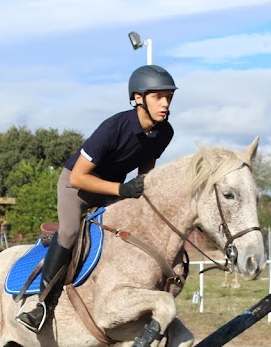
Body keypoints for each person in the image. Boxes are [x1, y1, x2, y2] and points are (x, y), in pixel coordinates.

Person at [15, 64, 178, 333]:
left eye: (169, 97)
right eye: (158, 97)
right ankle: (40, 305)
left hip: (112, 189)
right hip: (76, 186)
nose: (165, 103)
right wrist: (122, 190)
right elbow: (78, 178)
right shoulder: (113, 128)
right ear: (138, 98)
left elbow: (146, 166)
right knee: (68, 233)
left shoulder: (164, 132)